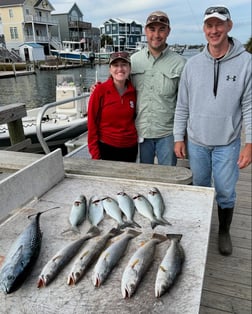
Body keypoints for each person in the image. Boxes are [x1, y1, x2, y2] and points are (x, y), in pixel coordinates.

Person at [173, 6, 252, 256]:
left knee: (226, 191)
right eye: (209, 25)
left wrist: (250, 142)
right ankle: (201, 227)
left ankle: (224, 230)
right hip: (196, 141)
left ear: (229, 26)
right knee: (200, 186)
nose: (214, 30)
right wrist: (178, 136)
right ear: (204, 29)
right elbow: (182, 104)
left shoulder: (246, 63)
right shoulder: (192, 64)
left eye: (219, 24)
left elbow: (250, 106)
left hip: (227, 143)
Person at [130, 11, 186, 165]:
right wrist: (98, 88)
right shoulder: (133, 61)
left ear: (168, 32)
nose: (156, 34)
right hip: (140, 132)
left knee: (168, 178)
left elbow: (185, 103)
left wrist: (182, 137)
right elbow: (119, 88)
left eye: (162, 29)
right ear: (145, 31)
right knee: (142, 178)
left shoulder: (181, 63)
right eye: (152, 29)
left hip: (168, 134)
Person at [87, 51, 138, 162]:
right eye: (115, 65)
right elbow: (91, 124)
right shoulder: (100, 91)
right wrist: (95, 155)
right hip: (107, 147)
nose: (120, 69)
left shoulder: (133, 92)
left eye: (124, 65)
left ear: (129, 68)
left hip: (130, 148)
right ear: (110, 69)